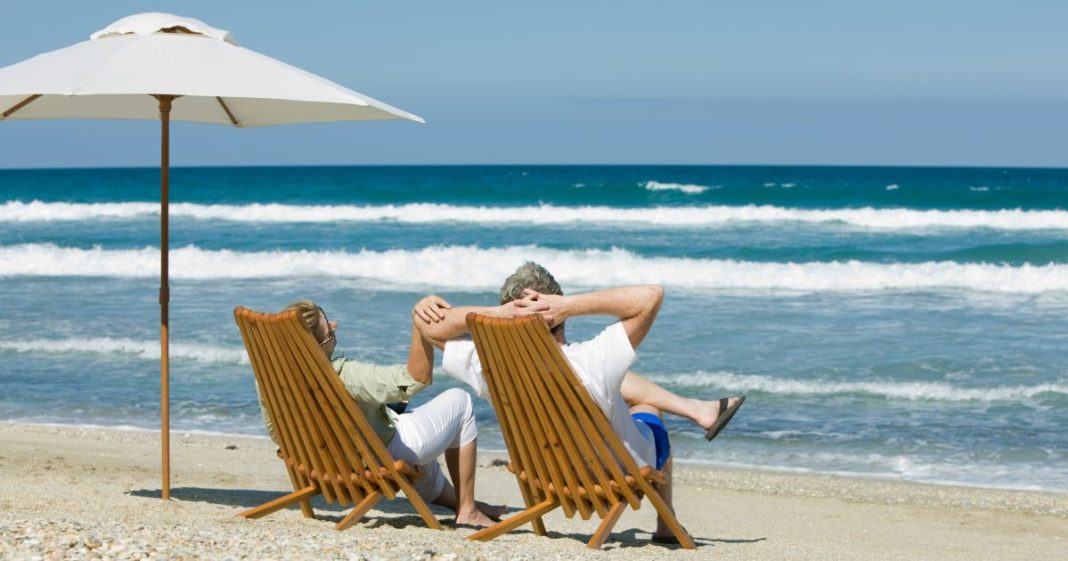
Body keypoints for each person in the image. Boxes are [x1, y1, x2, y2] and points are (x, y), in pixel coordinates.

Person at [411, 262, 745, 543]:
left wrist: (496, 314)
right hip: (614, 473)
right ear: (556, 311)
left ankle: (698, 410)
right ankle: (666, 522)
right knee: (647, 411)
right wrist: (569, 304)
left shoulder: (488, 366)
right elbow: (651, 295)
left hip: (547, 476)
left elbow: (429, 327)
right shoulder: (593, 359)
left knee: (618, 386)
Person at [257, 299, 503, 527]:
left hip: (329, 463)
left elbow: (276, 433)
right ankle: (468, 510)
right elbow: (415, 380)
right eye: (329, 331)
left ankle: (463, 504)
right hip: (374, 458)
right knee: (460, 402)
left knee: (413, 429)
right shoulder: (343, 377)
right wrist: (419, 325)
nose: (335, 325)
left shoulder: (269, 379)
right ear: (315, 347)